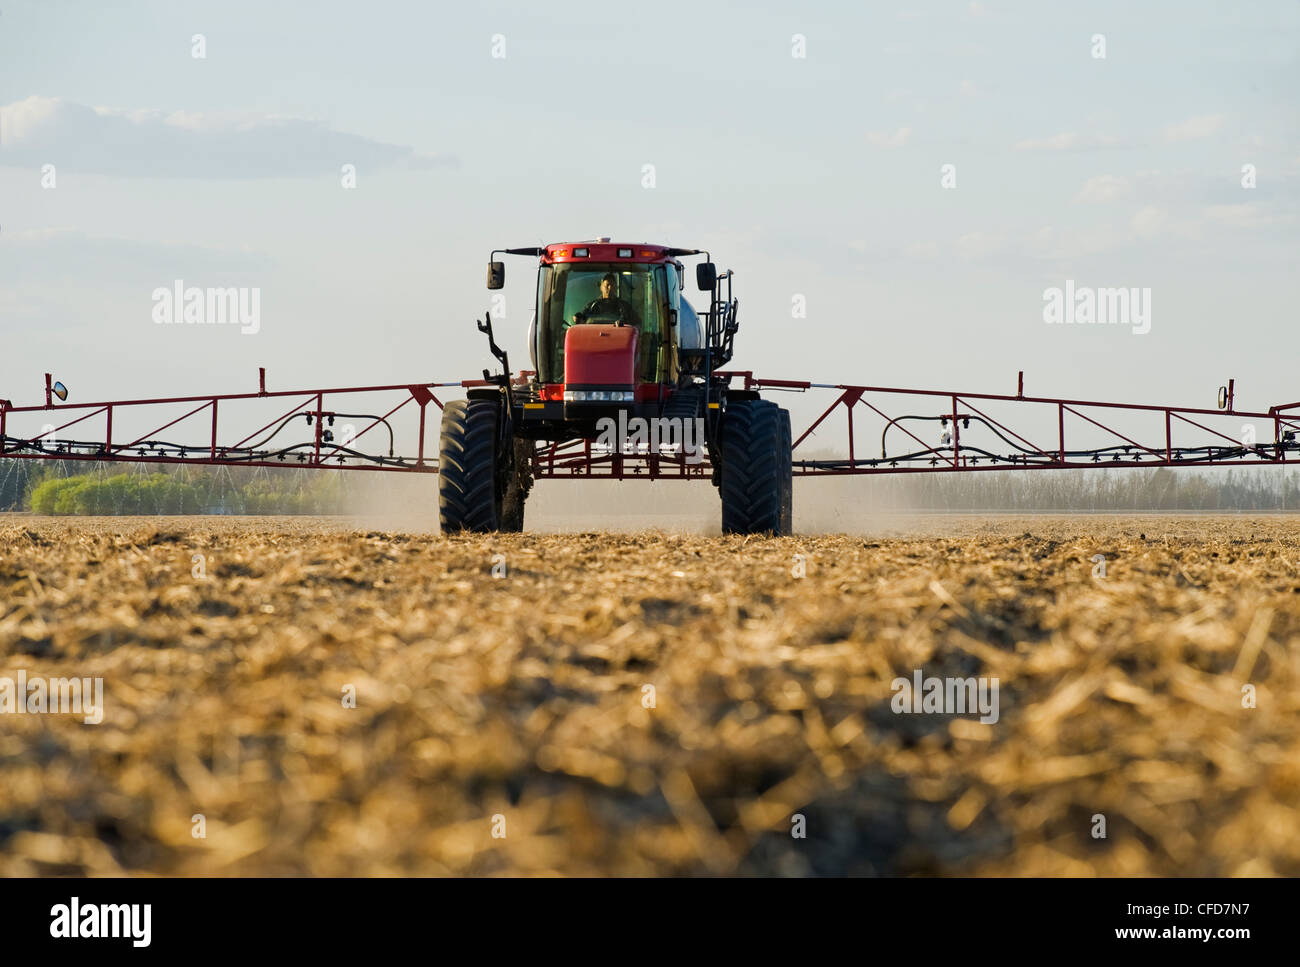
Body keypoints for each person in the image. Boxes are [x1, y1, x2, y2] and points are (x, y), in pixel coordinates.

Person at [573, 273, 639, 327]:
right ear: (601, 287)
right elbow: (580, 320)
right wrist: (577, 318)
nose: (610, 288)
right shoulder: (591, 307)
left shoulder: (625, 307)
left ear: (616, 288)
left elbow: (637, 324)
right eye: (607, 285)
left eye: (612, 285)